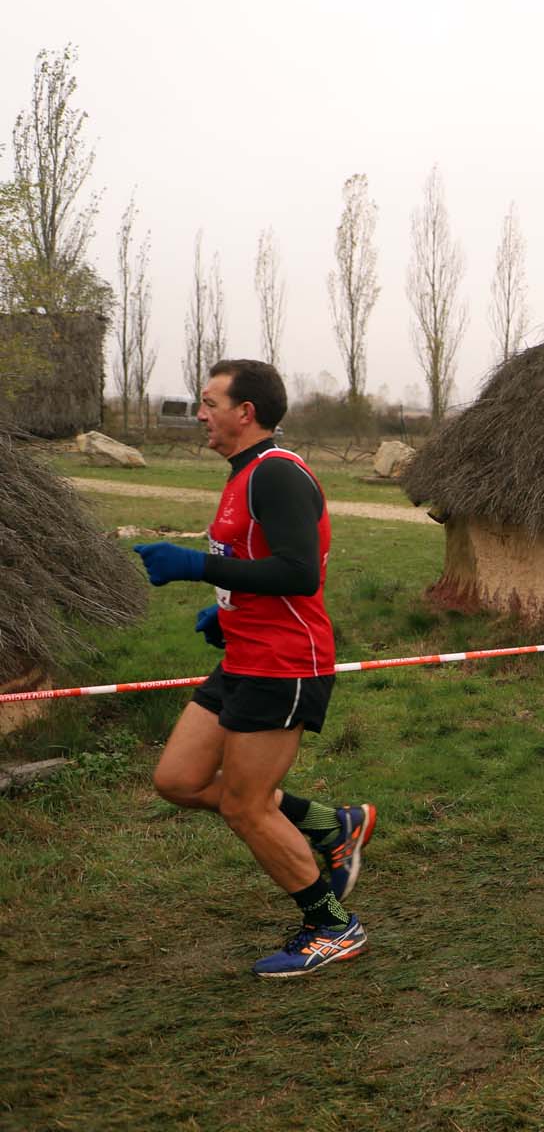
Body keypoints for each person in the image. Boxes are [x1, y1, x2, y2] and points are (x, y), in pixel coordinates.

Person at [132, 359, 374, 978]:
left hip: (286, 663)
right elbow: (257, 563)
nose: (201, 413)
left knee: (246, 806)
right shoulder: (241, 476)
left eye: (210, 402)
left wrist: (196, 568)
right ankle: (331, 823)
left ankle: (331, 925)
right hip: (244, 654)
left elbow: (299, 571)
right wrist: (227, 610)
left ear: (246, 412)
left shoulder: (277, 475)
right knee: (179, 780)